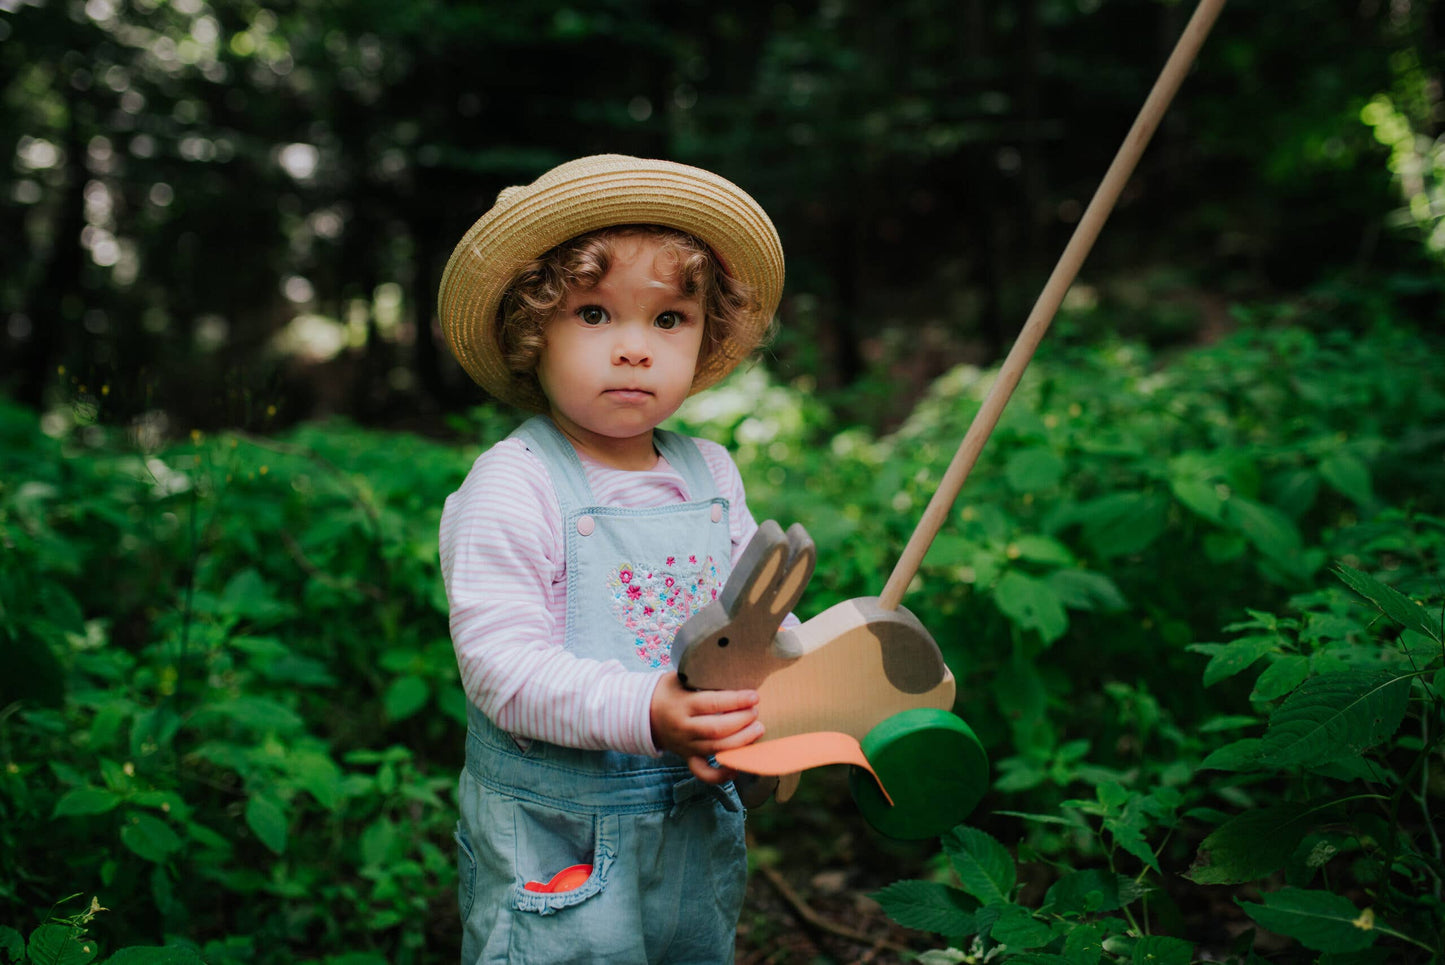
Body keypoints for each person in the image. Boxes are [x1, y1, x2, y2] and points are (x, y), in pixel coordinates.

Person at [436, 154, 786, 964]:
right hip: (562, 833)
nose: (634, 348)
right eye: (594, 314)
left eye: (668, 319)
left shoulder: (709, 473)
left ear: (705, 336)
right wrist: (648, 710)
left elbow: (754, 621)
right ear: (532, 328)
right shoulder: (514, 483)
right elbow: (500, 668)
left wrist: (786, 679)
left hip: (693, 820)